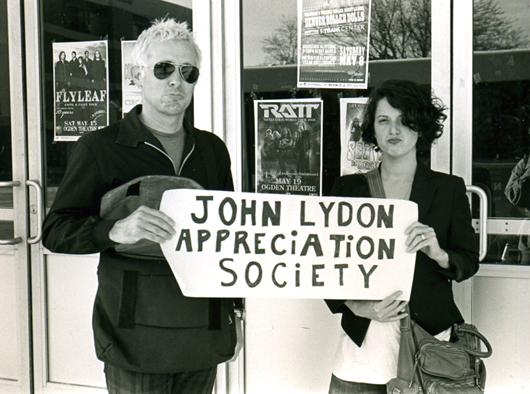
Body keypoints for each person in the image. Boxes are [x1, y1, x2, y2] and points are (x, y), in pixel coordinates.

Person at [42, 18, 243, 394]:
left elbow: (228, 237)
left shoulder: (212, 149)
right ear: (137, 75)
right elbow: (55, 231)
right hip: (134, 336)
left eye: (188, 72)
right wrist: (114, 230)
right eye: (164, 68)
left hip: (204, 331)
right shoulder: (101, 148)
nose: (176, 82)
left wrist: (237, 312)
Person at [325, 80, 479, 393]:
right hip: (362, 347)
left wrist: (438, 253)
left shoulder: (448, 188)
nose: (394, 130)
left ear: (421, 128)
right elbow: (323, 265)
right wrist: (355, 306)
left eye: (405, 121)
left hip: (428, 345)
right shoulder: (348, 189)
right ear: (372, 129)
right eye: (384, 121)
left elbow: (468, 261)